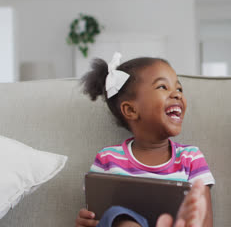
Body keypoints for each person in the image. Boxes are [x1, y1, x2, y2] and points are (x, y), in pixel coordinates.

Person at [75, 53, 214, 227]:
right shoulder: (107, 158)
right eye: (163, 87)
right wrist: (86, 221)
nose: (177, 94)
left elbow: (206, 219)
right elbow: (95, 215)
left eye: (179, 89)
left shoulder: (190, 157)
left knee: (190, 211)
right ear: (131, 110)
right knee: (116, 215)